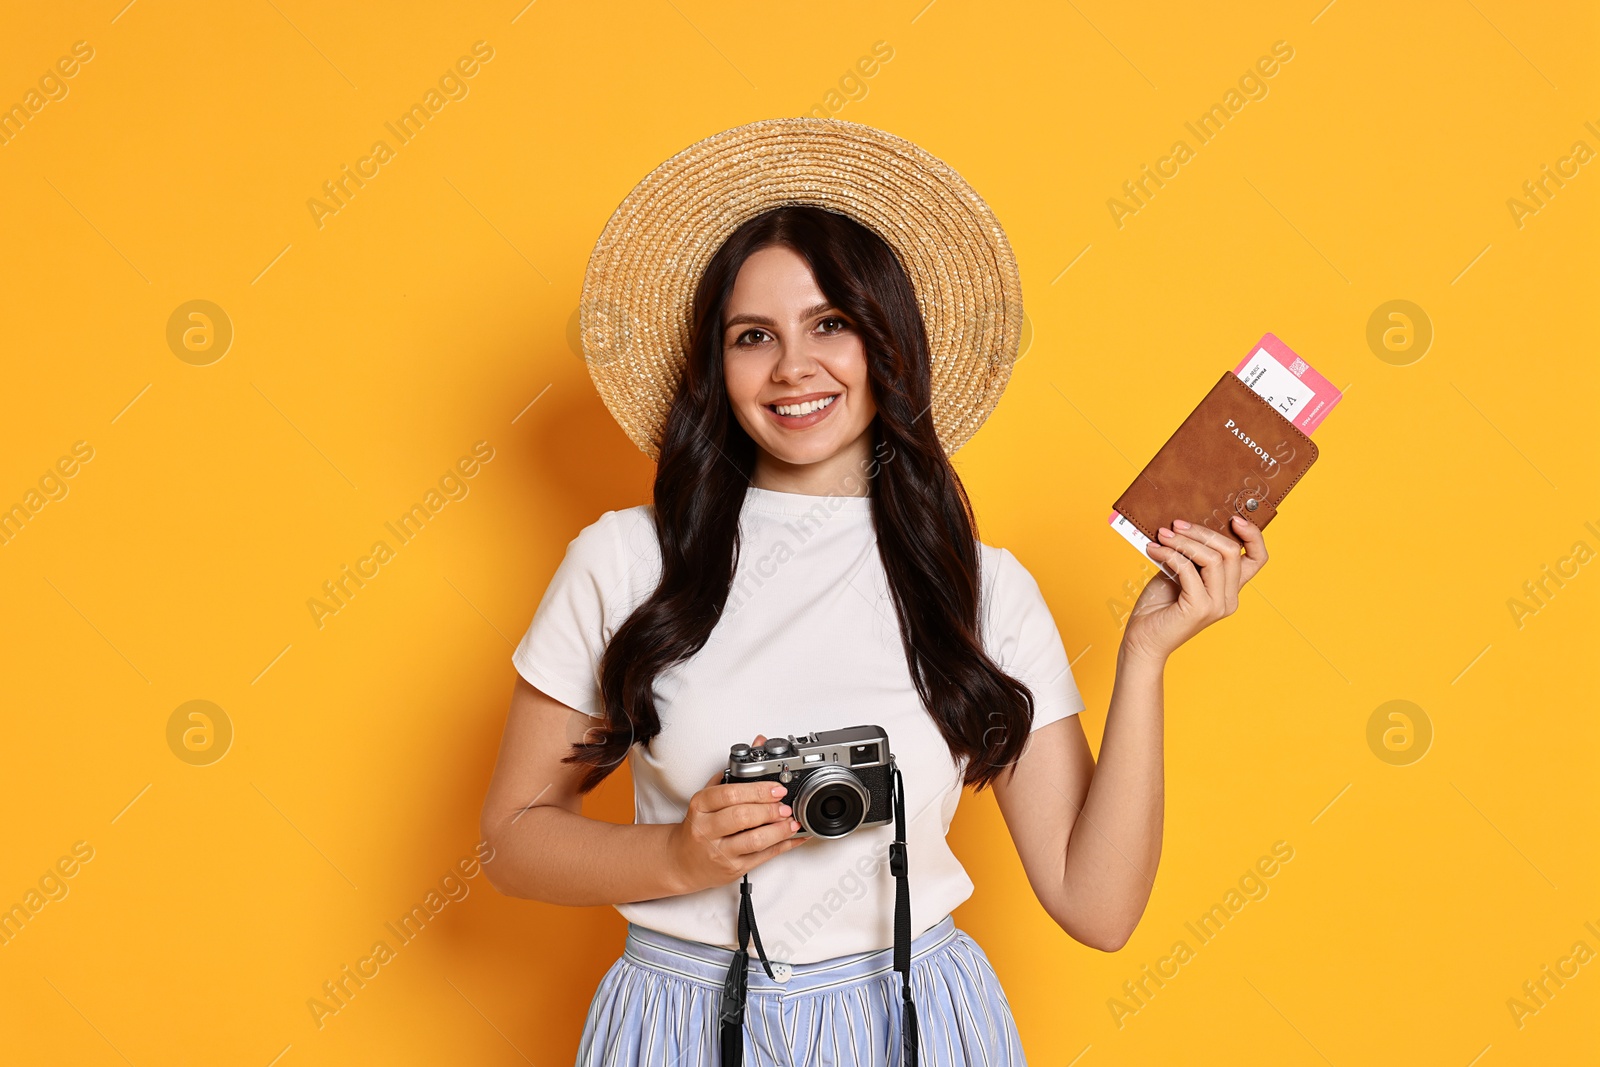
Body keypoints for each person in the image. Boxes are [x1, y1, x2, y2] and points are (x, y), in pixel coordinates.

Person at [478, 118, 1268, 1066]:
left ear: (886, 345)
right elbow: (511, 843)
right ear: (716, 367)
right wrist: (678, 856)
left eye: (832, 324)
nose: (792, 367)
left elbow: (1096, 907)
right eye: (752, 336)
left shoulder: (979, 586)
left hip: (915, 1019)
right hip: (683, 1020)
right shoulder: (623, 562)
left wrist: (1145, 655)